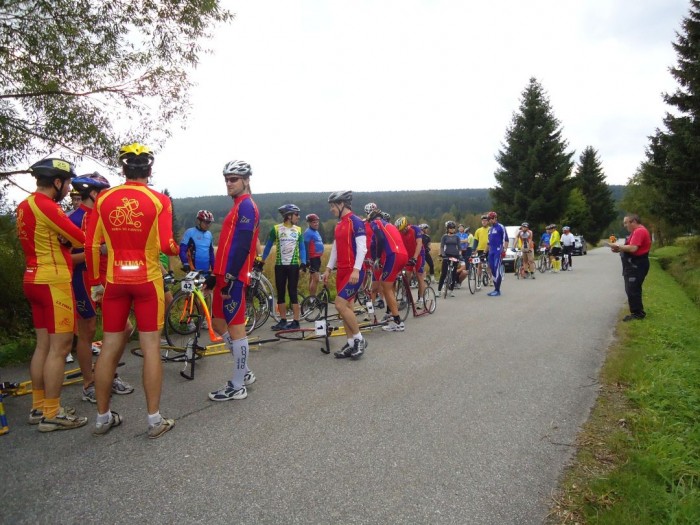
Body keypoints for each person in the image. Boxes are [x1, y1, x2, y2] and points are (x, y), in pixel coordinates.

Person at [85, 143, 179, 438]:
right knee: (150, 346)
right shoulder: (159, 199)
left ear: (123, 169)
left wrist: (95, 283)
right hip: (147, 280)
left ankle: (102, 418)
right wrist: (178, 250)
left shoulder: (103, 198)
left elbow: (90, 245)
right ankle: (154, 420)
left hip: (115, 281)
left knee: (110, 346)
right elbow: (166, 246)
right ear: (149, 170)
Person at [17, 158, 88, 432]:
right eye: (68, 183)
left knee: (43, 346)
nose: (70, 189)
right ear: (57, 182)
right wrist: (68, 238)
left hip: (32, 277)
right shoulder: (47, 206)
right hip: (54, 281)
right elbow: (80, 237)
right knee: (59, 349)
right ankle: (52, 412)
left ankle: (38, 406)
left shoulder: (24, 205)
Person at [68, 174, 134, 404]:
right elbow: (66, 257)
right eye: (105, 192)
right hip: (83, 279)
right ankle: (89, 383)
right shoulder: (74, 218)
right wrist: (96, 251)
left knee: (123, 329)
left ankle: (107, 373)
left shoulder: (106, 216)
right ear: (94, 193)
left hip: (107, 279)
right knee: (88, 331)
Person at [205, 160, 260, 400]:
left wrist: (228, 276)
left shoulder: (247, 206)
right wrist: (214, 275)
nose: (229, 183)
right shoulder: (237, 206)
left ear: (246, 180)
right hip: (222, 275)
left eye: (234, 179)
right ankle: (244, 371)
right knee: (219, 325)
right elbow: (227, 245)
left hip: (233, 277)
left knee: (237, 330)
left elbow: (243, 246)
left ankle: (238, 386)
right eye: (227, 179)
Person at [321, 191, 368, 359]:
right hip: (341, 270)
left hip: (353, 271)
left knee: (340, 305)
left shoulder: (356, 222)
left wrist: (356, 269)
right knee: (346, 308)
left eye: (333, 206)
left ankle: (359, 339)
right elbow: (335, 249)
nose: (331, 209)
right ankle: (350, 344)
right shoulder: (339, 224)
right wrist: (328, 268)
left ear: (342, 204)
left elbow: (362, 248)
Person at [364, 203, 408, 332]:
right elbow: (376, 242)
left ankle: (397, 321)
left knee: (385, 287)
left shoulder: (375, 223)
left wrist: (377, 258)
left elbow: (380, 239)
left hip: (393, 255)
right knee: (389, 286)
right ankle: (392, 313)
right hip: (402, 255)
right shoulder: (389, 225)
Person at [262, 204, 307, 330]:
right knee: (280, 293)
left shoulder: (298, 230)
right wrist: (262, 260)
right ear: (289, 216)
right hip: (280, 266)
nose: (298, 217)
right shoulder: (276, 229)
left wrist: (303, 262)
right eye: (296, 215)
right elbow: (268, 246)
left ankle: (296, 321)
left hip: (293, 266)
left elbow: (302, 248)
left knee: (292, 292)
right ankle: (283, 320)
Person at [609, 214, 651, 321]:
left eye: (626, 222)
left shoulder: (639, 231)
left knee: (633, 289)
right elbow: (628, 247)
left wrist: (617, 246)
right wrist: (619, 249)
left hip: (637, 264)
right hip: (632, 265)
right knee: (630, 289)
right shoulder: (634, 232)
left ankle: (638, 314)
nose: (625, 225)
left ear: (633, 222)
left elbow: (633, 248)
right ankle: (636, 312)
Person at [395, 217, 427, 306]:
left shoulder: (415, 229)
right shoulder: (400, 232)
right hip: (408, 255)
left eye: (403, 230)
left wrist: (415, 258)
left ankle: (421, 299)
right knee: (406, 276)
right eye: (400, 230)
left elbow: (419, 243)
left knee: (419, 275)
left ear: (406, 226)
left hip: (419, 254)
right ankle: (405, 297)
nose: (402, 232)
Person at [179, 210, 215, 275]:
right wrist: (185, 263)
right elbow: (182, 249)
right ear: (199, 221)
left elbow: (211, 253)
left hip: (206, 271)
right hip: (192, 270)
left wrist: (214, 268)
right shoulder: (190, 232)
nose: (208, 225)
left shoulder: (209, 234)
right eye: (206, 222)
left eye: (209, 223)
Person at [485, 211, 507, 296]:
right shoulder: (490, 229)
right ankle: (495, 289)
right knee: (492, 269)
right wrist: (484, 252)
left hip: (498, 251)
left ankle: (497, 290)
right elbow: (488, 242)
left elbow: (506, 239)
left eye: (491, 219)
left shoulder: (501, 227)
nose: (490, 221)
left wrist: (504, 250)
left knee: (496, 269)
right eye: (489, 219)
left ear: (495, 218)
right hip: (491, 252)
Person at [303, 213, 324, 298]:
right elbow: (305, 246)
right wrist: (306, 260)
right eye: (314, 222)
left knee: (312, 278)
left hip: (317, 257)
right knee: (315, 278)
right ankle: (312, 299)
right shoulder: (308, 232)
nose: (316, 224)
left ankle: (311, 298)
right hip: (312, 258)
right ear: (309, 223)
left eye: (317, 222)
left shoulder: (315, 231)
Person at [438, 221, 461, 296]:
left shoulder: (457, 237)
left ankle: (451, 290)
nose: (452, 229)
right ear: (447, 229)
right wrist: (443, 255)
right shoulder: (444, 237)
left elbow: (459, 247)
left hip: (455, 255)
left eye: (453, 228)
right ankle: (439, 290)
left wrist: (459, 255)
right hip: (447, 255)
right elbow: (442, 246)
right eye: (450, 228)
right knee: (444, 273)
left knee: (454, 273)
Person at [473, 214, 491, 284]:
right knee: (479, 265)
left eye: (485, 221)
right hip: (480, 249)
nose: (484, 222)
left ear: (488, 221)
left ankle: (491, 279)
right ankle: (479, 280)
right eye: (483, 221)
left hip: (489, 249)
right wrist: (474, 249)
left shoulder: (490, 229)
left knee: (489, 265)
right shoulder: (478, 230)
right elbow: (475, 241)